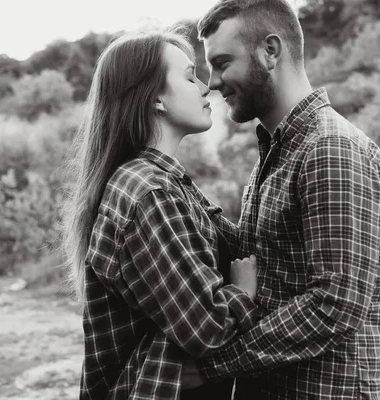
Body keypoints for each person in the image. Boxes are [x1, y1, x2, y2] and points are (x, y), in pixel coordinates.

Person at [180, 0, 380, 399]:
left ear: (270, 51)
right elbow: (264, 258)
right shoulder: (280, 149)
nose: (213, 81)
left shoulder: (330, 149)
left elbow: (335, 305)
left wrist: (214, 365)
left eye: (223, 62)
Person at [61, 29, 263, 400]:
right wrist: (242, 292)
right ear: (156, 99)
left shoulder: (163, 182)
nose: (206, 88)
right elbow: (207, 327)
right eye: (189, 77)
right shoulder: (150, 193)